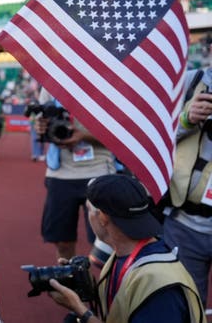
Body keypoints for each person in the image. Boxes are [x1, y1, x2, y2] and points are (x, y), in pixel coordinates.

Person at [48, 174, 204, 323]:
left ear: (102, 217)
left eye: (89, 209)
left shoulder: (157, 284)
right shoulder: (124, 254)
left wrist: (81, 311)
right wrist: (88, 288)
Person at [34, 88, 116, 260]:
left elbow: (119, 132)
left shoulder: (105, 80)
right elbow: (41, 124)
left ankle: (107, 286)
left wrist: (83, 136)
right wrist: (41, 128)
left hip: (99, 170)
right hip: (60, 174)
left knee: (106, 244)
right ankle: (67, 284)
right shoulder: (50, 82)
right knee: (61, 243)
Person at [163, 67, 212, 308]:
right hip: (185, 222)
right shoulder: (188, 82)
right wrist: (186, 119)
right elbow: (156, 137)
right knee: (188, 304)